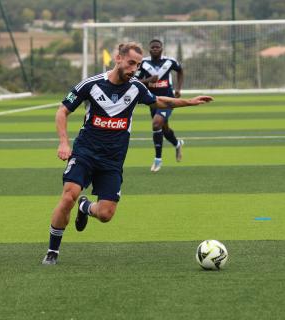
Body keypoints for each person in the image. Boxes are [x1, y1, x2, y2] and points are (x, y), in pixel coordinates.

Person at [42, 42, 213, 265]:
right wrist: (64, 143)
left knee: (105, 214)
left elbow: (160, 100)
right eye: (131, 63)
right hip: (85, 152)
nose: (134, 69)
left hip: (113, 160)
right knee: (68, 195)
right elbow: (62, 111)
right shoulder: (91, 84)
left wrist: (189, 102)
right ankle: (52, 251)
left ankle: (85, 207)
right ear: (118, 58)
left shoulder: (136, 88)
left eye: (138, 65)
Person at [136, 39, 184, 172]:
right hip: (153, 101)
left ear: (162, 49)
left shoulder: (169, 62)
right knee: (164, 129)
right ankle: (177, 143)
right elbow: (136, 81)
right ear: (149, 49)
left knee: (156, 124)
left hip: (168, 100)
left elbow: (180, 71)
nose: (155, 49)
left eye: (157, 47)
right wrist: (149, 80)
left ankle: (158, 160)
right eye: (153, 47)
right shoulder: (144, 64)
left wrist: (179, 89)